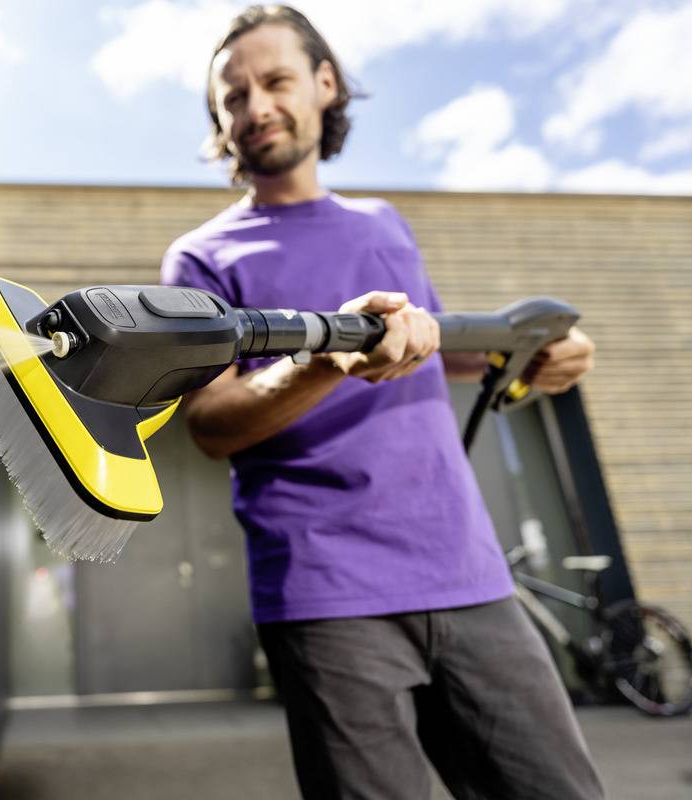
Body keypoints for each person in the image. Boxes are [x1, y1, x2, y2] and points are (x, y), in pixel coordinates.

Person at [159, 6, 602, 798]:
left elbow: (437, 349)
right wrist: (322, 363)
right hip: (324, 591)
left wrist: (532, 354)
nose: (255, 106)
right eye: (233, 97)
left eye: (276, 81)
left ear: (325, 84)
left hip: (467, 570)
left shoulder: (383, 223)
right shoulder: (200, 258)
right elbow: (210, 425)